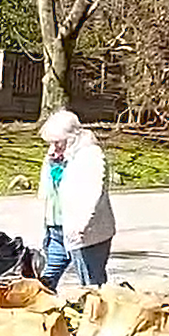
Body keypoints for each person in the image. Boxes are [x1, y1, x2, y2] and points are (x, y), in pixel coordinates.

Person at [36, 109, 116, 289]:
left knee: (92, 285)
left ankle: (96, 316)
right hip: (56, 230)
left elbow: (93, 194)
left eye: (58, 143)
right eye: (51, 143)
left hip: (86, 234)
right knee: (45, 283)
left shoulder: (90, 156)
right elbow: (49, 190)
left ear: (71, 138)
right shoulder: (55, 156)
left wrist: (82, 225)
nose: (53, 148)